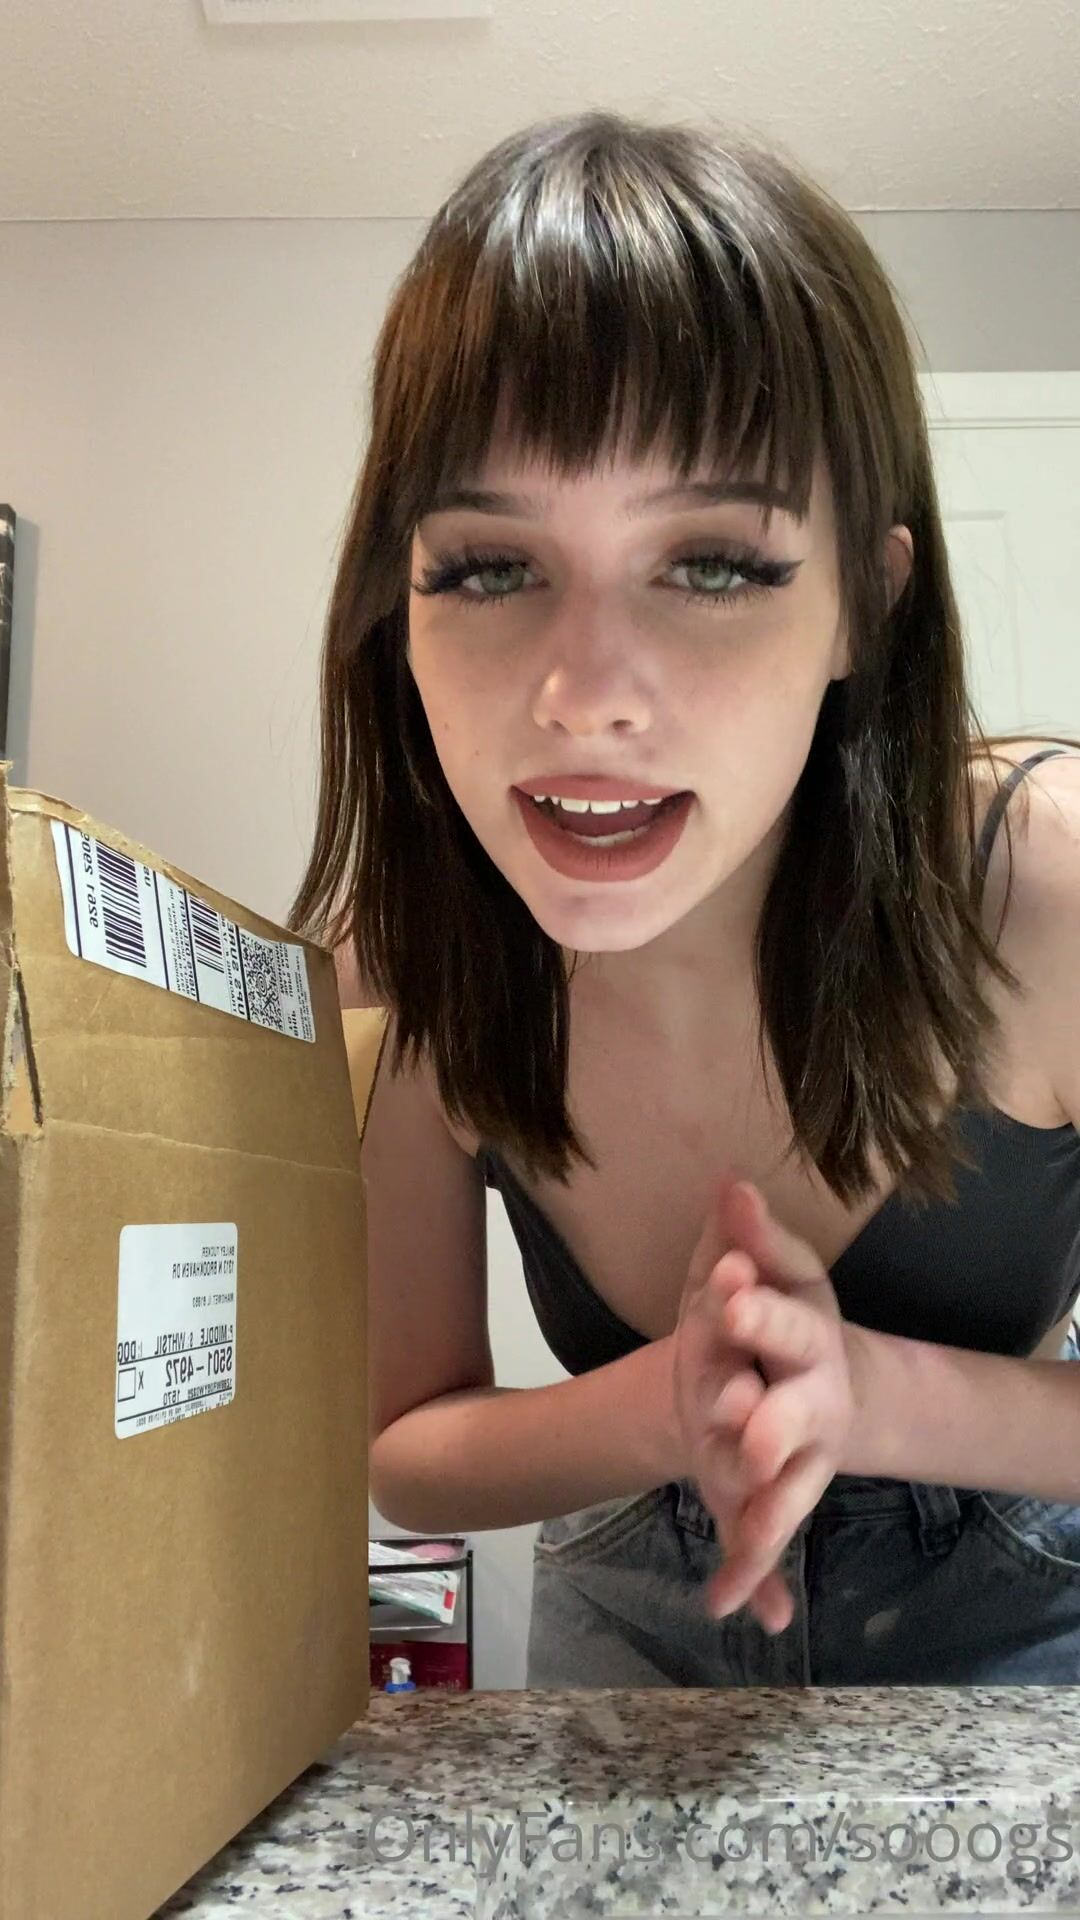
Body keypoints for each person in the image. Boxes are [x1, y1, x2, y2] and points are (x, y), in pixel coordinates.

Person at [292, 109, 1080, 1685]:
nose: (586, 695)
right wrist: (667, 1407)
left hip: (1024, 1596)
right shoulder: (401, 968)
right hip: (635, 1607)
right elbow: (406, 1442)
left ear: (867, 603)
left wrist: (866, 1394)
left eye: (713, 564)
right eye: (490, 567)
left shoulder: (1041, 888)